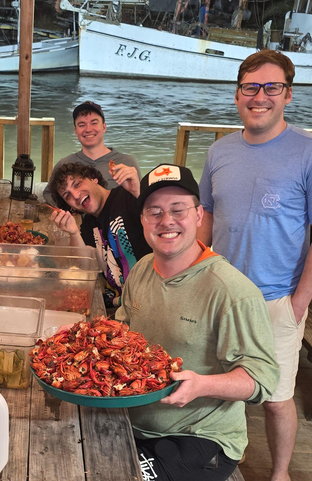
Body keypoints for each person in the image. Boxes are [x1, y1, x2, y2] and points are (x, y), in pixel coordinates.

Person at [198, 50, 312, 481]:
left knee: (277, 398)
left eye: (271, 87)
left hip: (278, 299)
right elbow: (204, 217)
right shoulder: (219, 150)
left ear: (288, 95)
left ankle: (280, 473)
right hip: (220, 296)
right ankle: (228, 455)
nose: (259, 96)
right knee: (223, 387)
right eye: (250, 87)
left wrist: (300, 303)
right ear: (237, 94)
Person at [117, 163, 279, 481]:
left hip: (198, 436)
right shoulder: (142, 269)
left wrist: (202, 385)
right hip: (133, 418)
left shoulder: (232, 291)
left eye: (178, 210)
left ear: (199, 215)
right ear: (142, 220)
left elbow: (261, 381)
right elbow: (122, 331)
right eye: (155, 211)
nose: (167, 221)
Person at [47, 162, 150, 309]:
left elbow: (159, 220)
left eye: (77, 184)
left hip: (151, 300)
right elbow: (84, 268)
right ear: (70, 207)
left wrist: (138, 191)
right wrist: (73, 232)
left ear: (93, 178)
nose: (76, 195)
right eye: (67, 195)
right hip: (120, 305)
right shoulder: (88, 225)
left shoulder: (127, 196)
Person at [43, 101, 140, 205]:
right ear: (76, 131)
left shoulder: (127, 162)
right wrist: (70, 211)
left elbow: (142, 199)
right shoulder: (65, 164)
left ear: (104, 127)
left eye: (94, 123)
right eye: (81, 125)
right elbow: (49, 194)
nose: (88, 129)